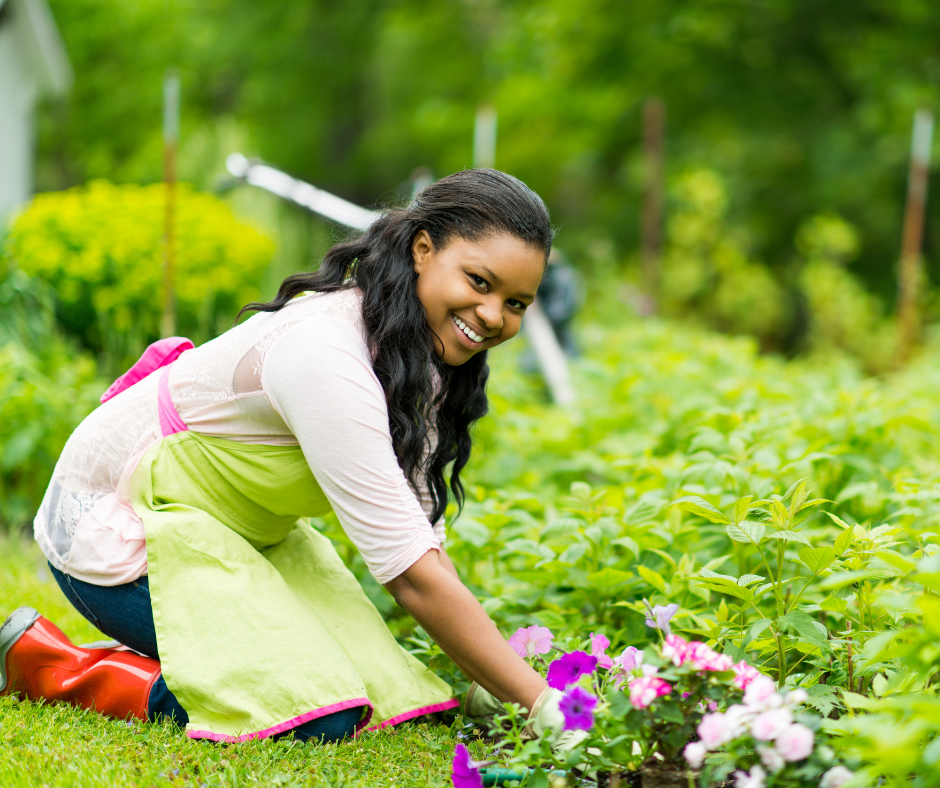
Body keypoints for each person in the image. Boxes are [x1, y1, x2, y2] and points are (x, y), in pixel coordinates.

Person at [0, 169, 565, 745]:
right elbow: (410, 576)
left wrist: (499, 681)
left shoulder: (413, 355)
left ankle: (196, 648)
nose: (494, 316)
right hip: (122, 531)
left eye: (516, 302)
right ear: (424, 249)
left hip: (234, 535)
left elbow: (421, 538)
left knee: (379, 689)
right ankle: (52, 664)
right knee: (316, 714)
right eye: (479, 281)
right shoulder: (327, 354)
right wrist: (544, 705)